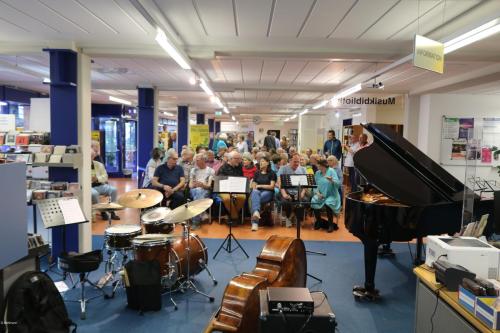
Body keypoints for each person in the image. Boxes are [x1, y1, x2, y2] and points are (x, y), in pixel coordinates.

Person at [277, 154, 308, 228]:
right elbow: (279, 182)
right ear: (290, 161)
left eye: (298, 162)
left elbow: (305, 185)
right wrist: (284, 194)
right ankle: (289, 217)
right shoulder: (283, 168)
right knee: (285, 202)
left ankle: (292, 216)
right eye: (295, 162)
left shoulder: (303, 169)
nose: (297, 164)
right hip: (286, 191)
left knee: (305, 201)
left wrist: (302, 193)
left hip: (298, 191)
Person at [311, 159, 341, 233]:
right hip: (320, 194)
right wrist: (317, 193)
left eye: (319, 165)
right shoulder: (317, 173)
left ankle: (330, 224)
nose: (317, 166)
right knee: (314, 201)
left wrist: (332, 180)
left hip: (332, 195)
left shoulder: (331, 171)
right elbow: (315, 185)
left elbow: (338, 184)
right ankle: (319, 222)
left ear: (323, 166)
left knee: (328, 203)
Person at [249, 156, 276, 231]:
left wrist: (260, 185)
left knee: (255, 199)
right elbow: (254, 186)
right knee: (255, 192)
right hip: (257, 192)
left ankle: (255, 223)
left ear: (267, 163)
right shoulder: (257, 173)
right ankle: (256, 213)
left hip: (268, 192)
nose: (261, 162)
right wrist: (255, 187)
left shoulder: (272, 173)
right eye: (260, 161)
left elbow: (271, 187)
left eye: (263, 161)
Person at [91, 150, 119, 220]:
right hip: (89, 187)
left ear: (94, 157)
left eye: (92, 156)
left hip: (100, 185)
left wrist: (97, 179)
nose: (91, 158)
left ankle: (112, 211)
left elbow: (105, 176)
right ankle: (102, 212)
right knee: (94, 194)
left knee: (114, 190)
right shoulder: (83, 166)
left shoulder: (99, 164)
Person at [189, 152, 215, 229]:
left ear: (204, 160)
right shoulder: (193, 170)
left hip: (205, 190)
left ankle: (195, 221)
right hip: (194, 190)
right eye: (195, 160)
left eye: (198, 160)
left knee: (200, 192)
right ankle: (202, 213)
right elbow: (190, 186)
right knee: (197, 191)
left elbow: (209, 186)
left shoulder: (211, 171)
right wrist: (195, 185)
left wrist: (202, 185)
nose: (196, 162)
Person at [218, 151, 246, 221]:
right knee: (227, 199)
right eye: (237, 159)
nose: (239, 161)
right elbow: (221, 182)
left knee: (242, 197)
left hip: (237, 189)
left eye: (239, 158)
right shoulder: (223, 168)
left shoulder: (239, 167)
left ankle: (230, 216)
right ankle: (235, 217)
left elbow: (241, 179)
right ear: (230, 159)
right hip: (225, 190)